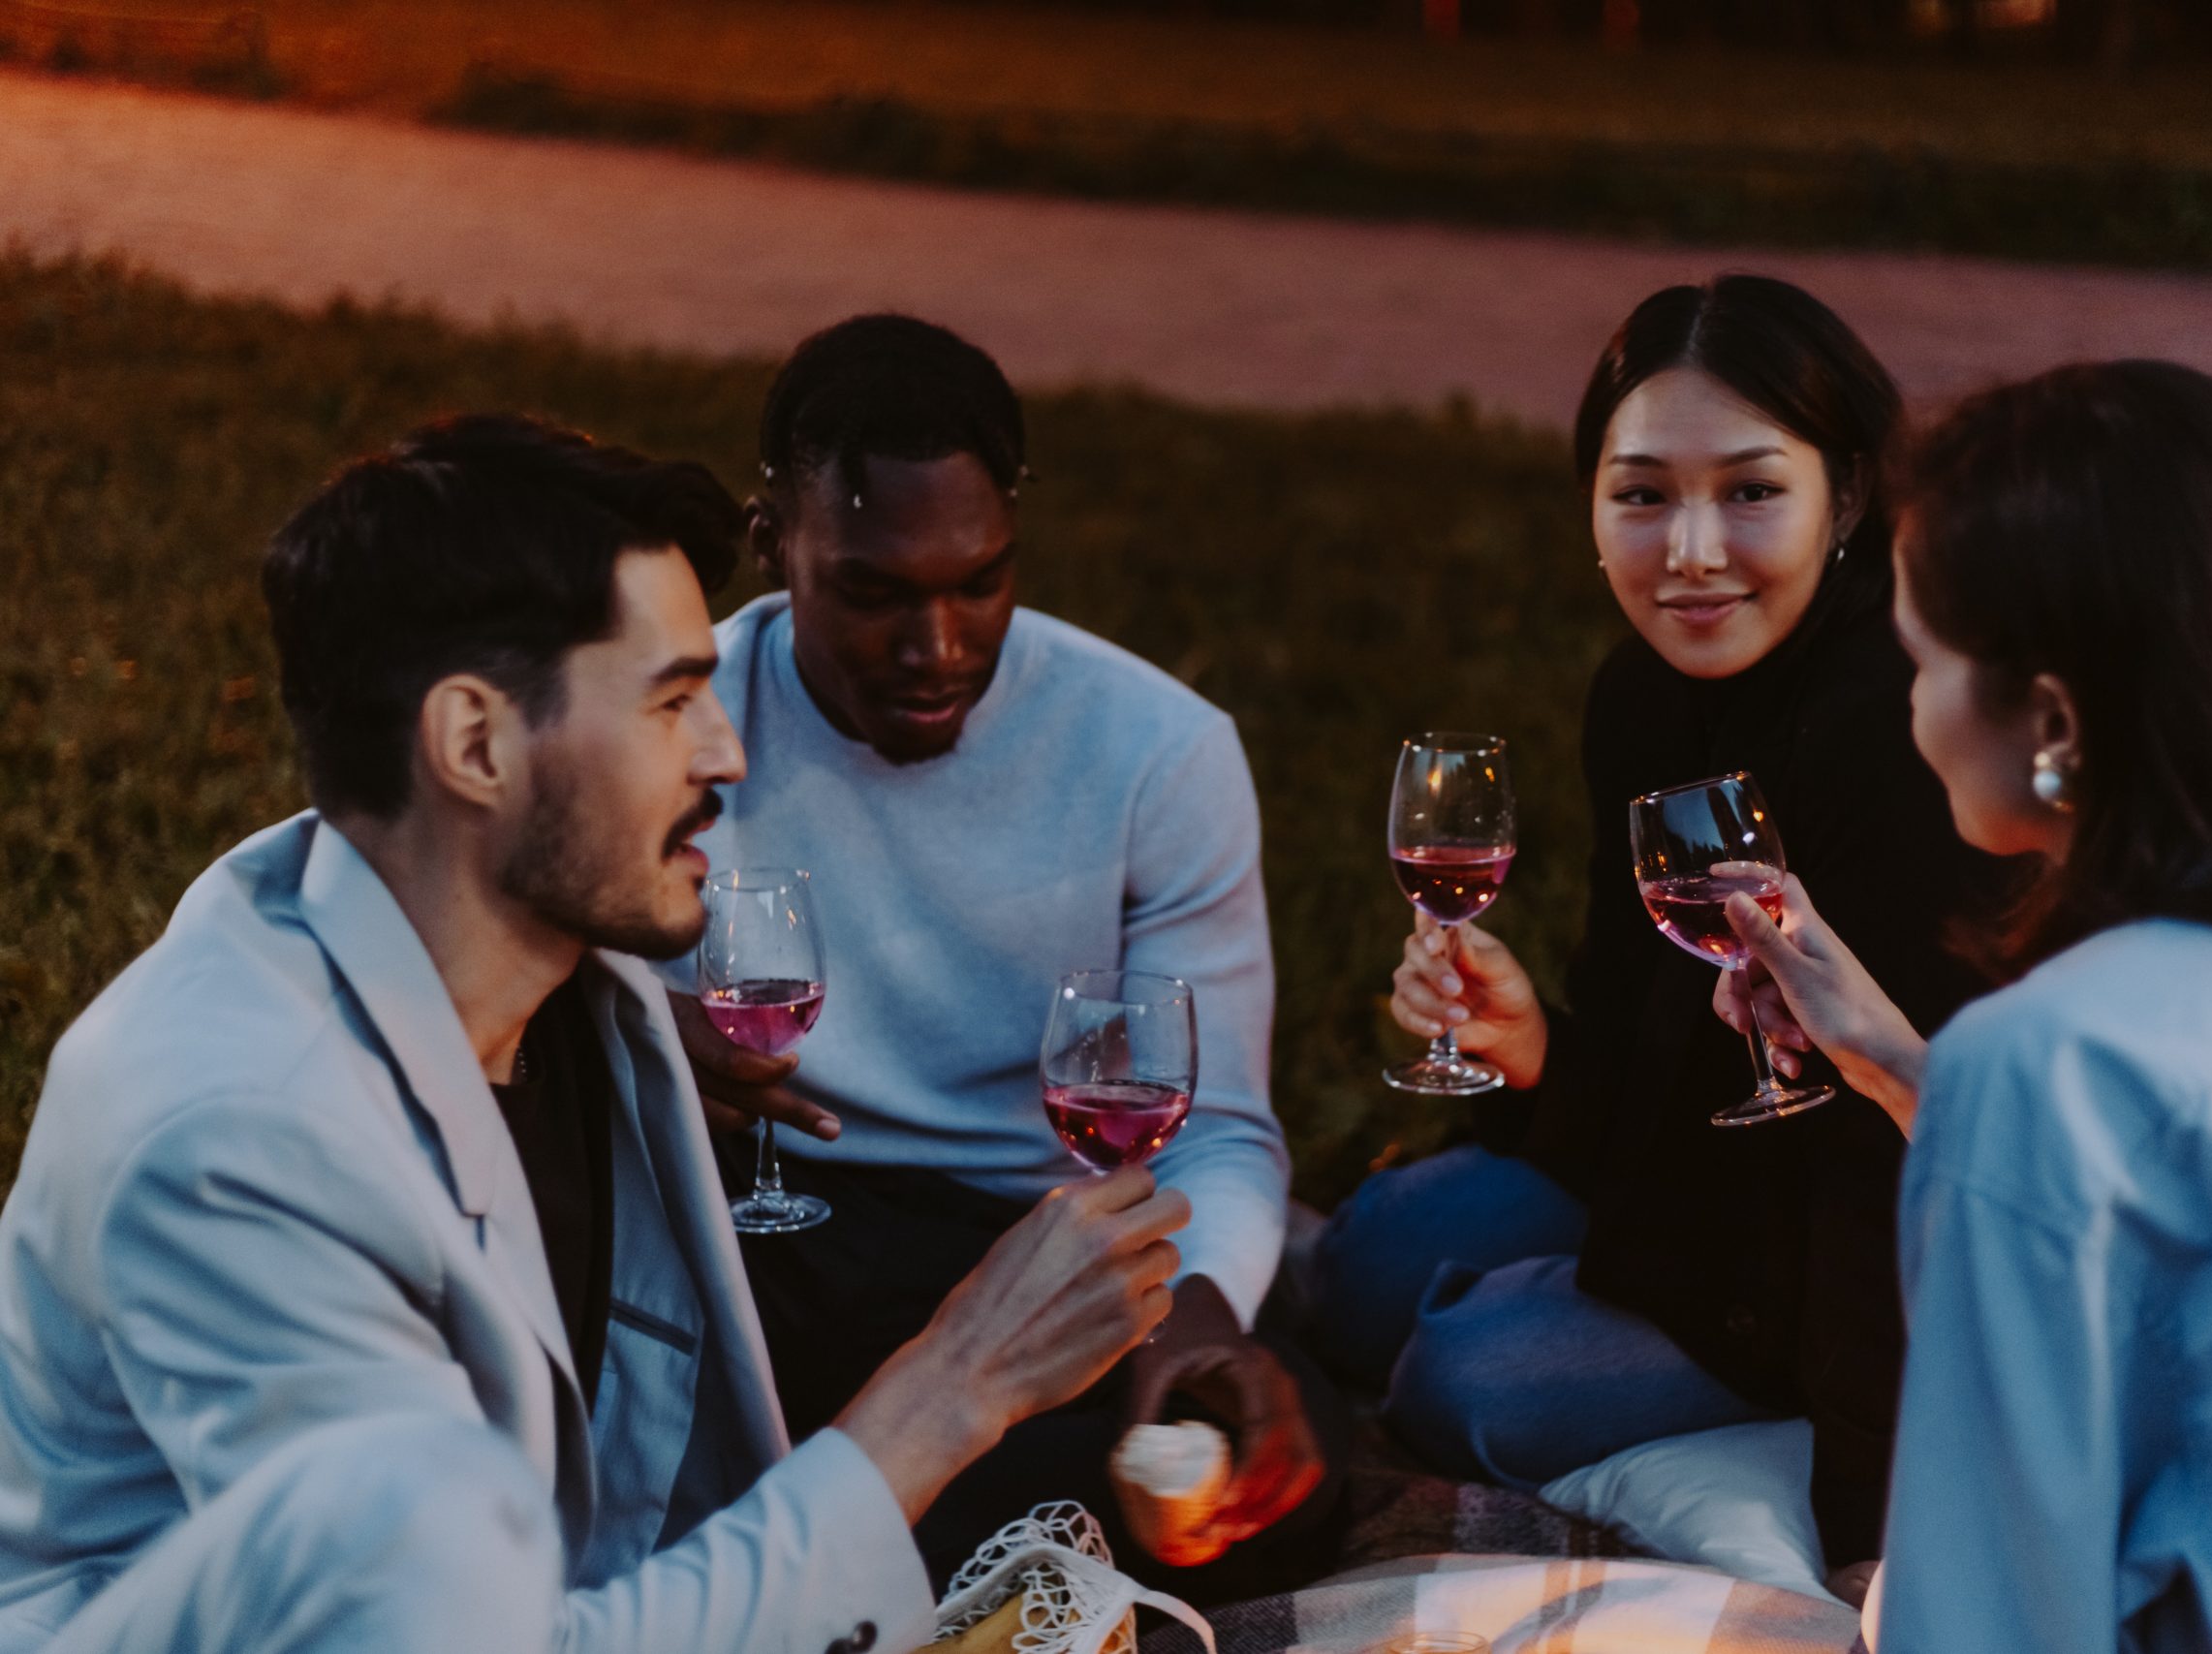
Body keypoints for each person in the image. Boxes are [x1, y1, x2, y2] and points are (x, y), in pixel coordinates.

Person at [0, 415, 1191, 1653]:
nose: (726, 754)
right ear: (475, 745)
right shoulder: (239, 1143)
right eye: (673, 701)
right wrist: (957, 1385)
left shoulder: (555, 976)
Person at [1716, 360, 2212, 1652]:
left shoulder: (2055, 1061)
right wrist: (1906, 1068)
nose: (1910, 707)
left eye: (1921, 660)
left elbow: (1990, 1614)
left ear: (2053, 717)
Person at [1309, 274, 2003, 1580]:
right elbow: (1648, 1067)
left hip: (1848, 1269)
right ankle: (1565, 1300)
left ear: (1846, 498)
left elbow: (1886, 1177)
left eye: (1750, 490)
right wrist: (1533, 1058)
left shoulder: (1902, 734)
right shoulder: (1638, 699)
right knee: (1358, 1260)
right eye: (1641, 493)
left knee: (1464, 1377)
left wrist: (1870, 1525)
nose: (1691, 549)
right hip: (1699, 1199)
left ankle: (1693, 1378)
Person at [662, 315, 1341, 1599]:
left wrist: (1196, 1306)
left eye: (979, 580)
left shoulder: (1156, 748)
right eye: (874, 590)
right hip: (786, 1232)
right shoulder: (680, 726)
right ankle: (880, 1533)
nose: (938, 646)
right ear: (774, 546)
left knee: (1278, 1463)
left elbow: (1226, 1126)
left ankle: (843, 1532)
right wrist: (656, 1039)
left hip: (1049, 1241)